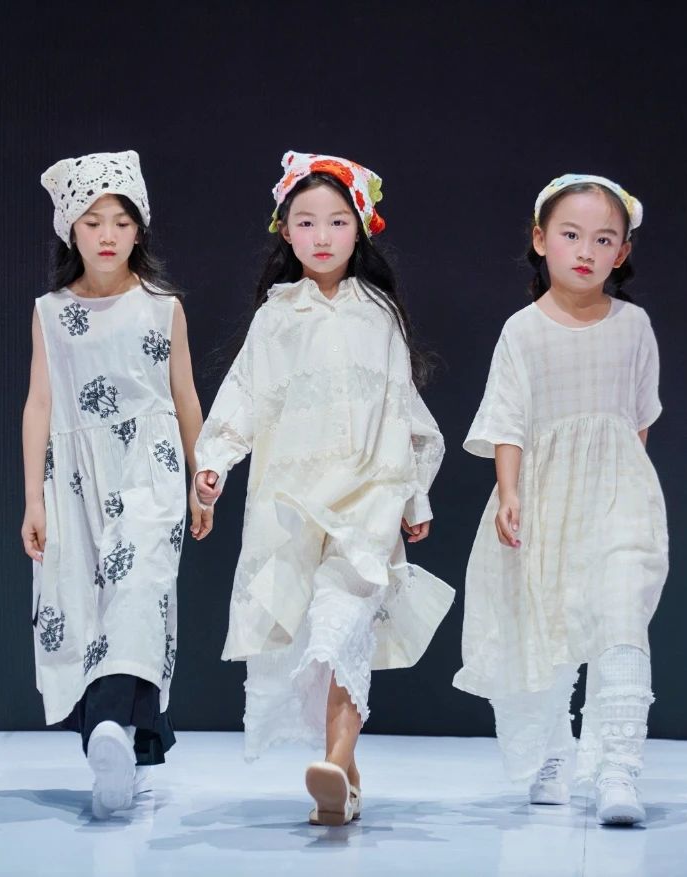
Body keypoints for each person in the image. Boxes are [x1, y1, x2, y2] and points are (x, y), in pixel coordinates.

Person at [194, 151, 452, 826]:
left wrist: (415, 495)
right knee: (316, 641)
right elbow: (245, 394)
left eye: (337, 221)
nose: (322, 235)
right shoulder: (277, 317)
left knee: (342, 626)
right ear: (285, 231)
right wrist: (215, 460)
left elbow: (402, 409)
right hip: (295, 503)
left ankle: (335, 761)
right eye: (306, 222)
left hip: (369, 499)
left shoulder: (378, 314)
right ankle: (345, 779)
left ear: (359, 228)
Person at [454, 174, 668, 826]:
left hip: (619, 496)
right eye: (571, 234)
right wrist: (509, 492)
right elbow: (508, 420)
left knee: (620, 615)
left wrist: (628, 486)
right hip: (545, 498)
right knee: (545, 622)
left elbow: (638, 420)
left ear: (621, 252)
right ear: (541, 239)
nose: (586, 250)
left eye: (603, 239)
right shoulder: (522, 331)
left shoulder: (634, 326)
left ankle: (618, 767)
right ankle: (552, 754)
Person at [22, 150, 209, 818]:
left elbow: (185, 397)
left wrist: (201, 479)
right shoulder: (50, 312)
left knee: (139, 591)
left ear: (139, 230)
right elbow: (39, 404)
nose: (107, 234)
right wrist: (32, 498)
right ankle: (118, 742)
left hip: (150, 469)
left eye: (121, 221)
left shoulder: (162, 308)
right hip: (75, 478)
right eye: (92, 220)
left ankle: (108, 727)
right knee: (86, 604)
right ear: (69, 229)